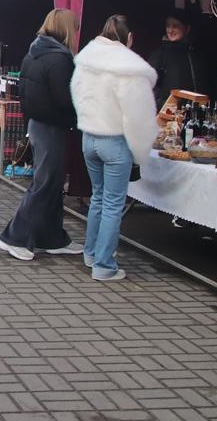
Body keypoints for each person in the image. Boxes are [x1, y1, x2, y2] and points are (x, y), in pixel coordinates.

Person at [70, 14, 157, 281]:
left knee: (98, 197)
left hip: (89, 138)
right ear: (129, 38)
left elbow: (75, 91)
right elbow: (138, 113)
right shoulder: (129, 66)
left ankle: (91, 253)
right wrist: (142, 149)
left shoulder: (87, 59)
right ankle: (104, 265)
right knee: (112, 203)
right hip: (114, 141)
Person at [0, 9, 83, 262]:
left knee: (52, 184)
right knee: (45, 184)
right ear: (67, 29)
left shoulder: (34, 52)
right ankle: (14, 237)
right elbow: (64, 99)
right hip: (51, 126)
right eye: (74, 29)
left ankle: (52, 237)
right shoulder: (59, 59)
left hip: (38, 124)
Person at [148, 8, 207, 109]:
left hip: (191, 111)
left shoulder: (193, 53)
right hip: (166, 112)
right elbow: (150, 84)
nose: (170, 30)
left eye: (175, 26)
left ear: (187, 28)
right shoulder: (159, 54)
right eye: (168, 26)